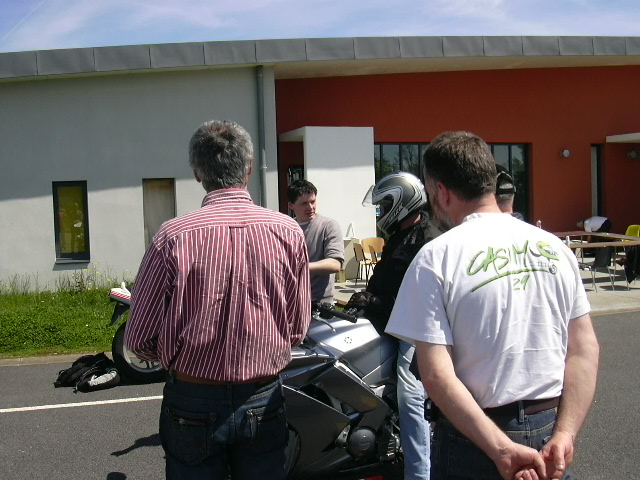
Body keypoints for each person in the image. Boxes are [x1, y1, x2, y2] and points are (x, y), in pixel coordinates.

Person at [386, 131, 599, 480]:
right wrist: (565, 435)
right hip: (550, 432)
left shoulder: (435, 258)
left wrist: (501, 449)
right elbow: (584, 349)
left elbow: (437, 375)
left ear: (441, 192)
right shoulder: (555, 248)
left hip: (473, 438)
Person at [126, 120, 311, 480]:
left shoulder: (172, 236)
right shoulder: (288, 231)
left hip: (192, 395)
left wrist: (176, 355)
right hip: (263, 394)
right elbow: (296, 327)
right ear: (249, 167)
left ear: (197, 173)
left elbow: (139, 339)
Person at [345, 172, 440, 480]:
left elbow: (416, 296)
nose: (381, 212)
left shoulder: (427, 239)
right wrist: (364, 300)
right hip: (391, 323)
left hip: (415, 329)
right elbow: (382, 282)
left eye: (384, 206)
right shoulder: (400, 235)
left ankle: (419, 472)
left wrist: (373, 302)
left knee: (410, 394)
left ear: (402, 201)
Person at [287, 179, 344, 304]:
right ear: (291, 205)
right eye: (304, 203)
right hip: (292, 301)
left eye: (313, 201)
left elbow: (335, 264)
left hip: (320, 302)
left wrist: (302, 267)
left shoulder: (328, 226)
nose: (310, 207)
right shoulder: (286, 228)